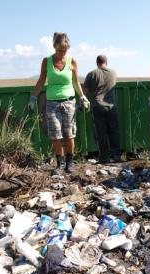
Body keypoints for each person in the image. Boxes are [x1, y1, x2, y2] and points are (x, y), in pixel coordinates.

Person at [29, 32, 90, 175]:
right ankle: (60, 164)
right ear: (54, 47)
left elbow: (75, 82)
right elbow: (41, 81)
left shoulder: (72, 61)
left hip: (69, 102)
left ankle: (70, 163)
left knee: (69, 135)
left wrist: (82, 97)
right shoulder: (47, 61)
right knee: (55, 135)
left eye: (65, 50)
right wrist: (33, 97)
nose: (62, 53)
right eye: (60, 50)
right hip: (52, 103)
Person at [83, 55, 121, 163]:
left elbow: (84, 92)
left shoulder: (92, 74)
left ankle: (104, 157)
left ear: (97, 62)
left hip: (97, 106)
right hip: (111, 106)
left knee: (101, 132)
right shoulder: (113, 73)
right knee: (114, 131)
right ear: (106, 62)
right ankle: (116, 155)